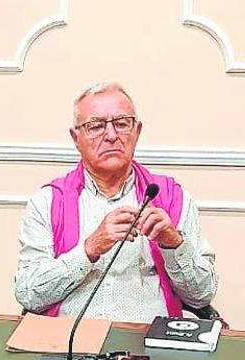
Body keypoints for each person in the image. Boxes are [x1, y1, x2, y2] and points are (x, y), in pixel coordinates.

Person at [14, 82, 218, 322]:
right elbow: (28, 294)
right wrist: (89, 248)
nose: (111, 136)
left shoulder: (171, 196)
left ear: (137, 131)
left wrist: (173, 243)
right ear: (75, 137)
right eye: (96, 126)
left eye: (121, 124)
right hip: (70, 344)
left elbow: (201, 296)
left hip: (147, 345)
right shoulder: (48, 202)